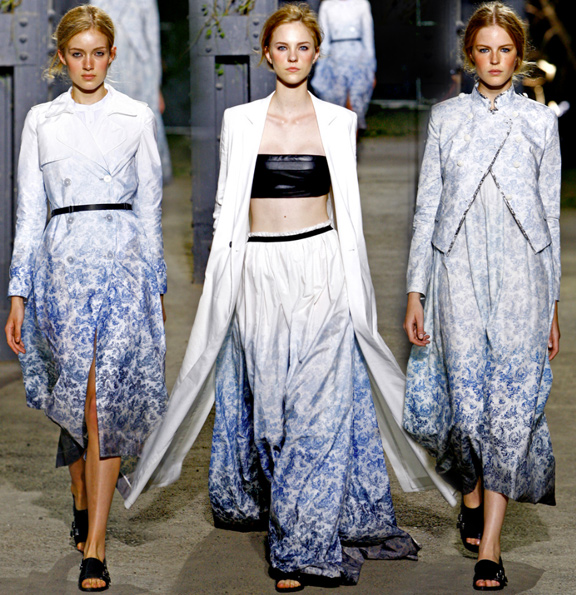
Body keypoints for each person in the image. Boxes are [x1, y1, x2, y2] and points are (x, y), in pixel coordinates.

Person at [123, 3, 455, 592]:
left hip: (322, 267)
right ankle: (296, 521)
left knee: (316, 410)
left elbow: (346, 213)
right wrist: (229, 282)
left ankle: (300, 547)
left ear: (317, 53)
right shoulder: (240, 121)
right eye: (283, 47)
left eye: (304, 47)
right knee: (273, 414)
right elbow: (226, 208)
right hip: (260, 272)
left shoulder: (338, 122)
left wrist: (355, 292)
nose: (294, 57)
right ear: (267, 54)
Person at [4, 5, 168, 591]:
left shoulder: (136, 116)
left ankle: (96, 546)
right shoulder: (42, 121)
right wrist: (18, 292)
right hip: (61, 270)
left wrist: (156, 287)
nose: (89, 64)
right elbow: (29, 212)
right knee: (75, 396)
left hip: (123, 266)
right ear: (62, 56)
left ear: (112, 55)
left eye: (99, 53)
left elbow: (151, 209)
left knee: (104, 403)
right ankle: (79, 494)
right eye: (78, 54)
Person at [403, 2, 561, 591]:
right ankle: (469, 492)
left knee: (508, 409)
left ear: (518, 57)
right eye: (485, 49)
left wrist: (553, 304)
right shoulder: (446, 118)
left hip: (523, 274)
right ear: (470, 55)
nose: (495, 60)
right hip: (458, 269)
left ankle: (491, 545)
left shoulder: (541, 122)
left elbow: (550, 215)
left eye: (505, 50)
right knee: (466, 409)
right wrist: (416, 289)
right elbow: (427, 207)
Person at [93, 0, 173, 184]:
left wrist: (156, 86)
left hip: (140, 68)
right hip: (109, 66)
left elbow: (153, 40)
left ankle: (148, 182)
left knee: (142, 123)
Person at [310, 0, 376, 131]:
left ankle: (352, 144)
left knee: (355, 109)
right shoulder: (327, 5)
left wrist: (371, 69)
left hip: (358, 60)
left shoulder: (362, 4)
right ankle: (339, 143)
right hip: (334, 61)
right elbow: (324, 40)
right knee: (337, 111)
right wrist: (320, 68)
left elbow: (368, 38)